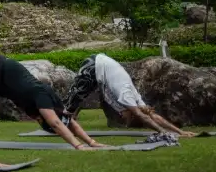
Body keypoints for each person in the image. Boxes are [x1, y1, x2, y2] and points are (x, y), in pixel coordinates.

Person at [0, 54, 109, 150]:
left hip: (2, 78)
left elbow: (68, 121)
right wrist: (79, 146)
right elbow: (56, 123)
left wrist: (91, 142)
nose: (38, 120)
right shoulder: (42, 97)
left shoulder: (56, 104)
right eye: (40, 121)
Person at [64, 53, 196, 138]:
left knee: (77, 99)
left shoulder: (135, 96)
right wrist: (164, 132)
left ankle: (70, 122)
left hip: (99, 70)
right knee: (70, 103)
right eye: (125, 117)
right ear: (130, 112)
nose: (121, 117)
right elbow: (141, 115)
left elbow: (151, 114)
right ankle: (60, 122)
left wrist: (180, 132)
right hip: (93, 65)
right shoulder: (126, 95)